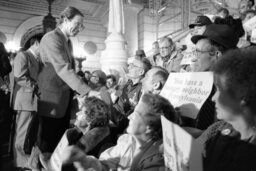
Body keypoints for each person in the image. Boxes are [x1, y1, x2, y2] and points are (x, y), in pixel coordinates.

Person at [60, 93, 179, 171]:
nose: (130, 117)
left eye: (136, 114)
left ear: (149, 127)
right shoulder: (127, 141)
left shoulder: (157, 160)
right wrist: (86, 161)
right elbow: (107, 164)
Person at [37, 6, 91, 153]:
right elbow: (62, 68)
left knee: (58, 141)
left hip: (63, 98)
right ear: (66, 20)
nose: (80, 28)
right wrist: (87, 91)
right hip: (52, 99)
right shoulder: (52, 38)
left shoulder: (66, 41)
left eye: (82, 26)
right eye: (77, 24)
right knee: (48, 142)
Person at [198, 47, 256, 171]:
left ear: (241, 94)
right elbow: (193, 153)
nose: (213, 98)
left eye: (219, 90)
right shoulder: (216, 130)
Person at [12, 37, 41, 168]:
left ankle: (24, 160)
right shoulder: (23, 55)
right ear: (36, 43)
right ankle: (20, 163)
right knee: (22, 133)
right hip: (26, 100)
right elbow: (19, 76)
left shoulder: (35, 58)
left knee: (27, 133)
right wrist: (37, 87)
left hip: (32, 101)